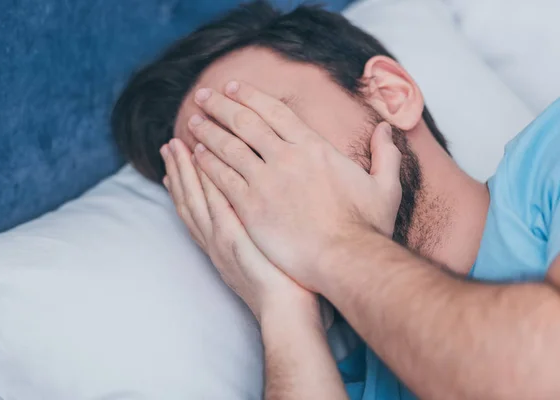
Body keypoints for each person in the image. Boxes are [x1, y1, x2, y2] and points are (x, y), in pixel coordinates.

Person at [112, 1, 560, 399]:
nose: (262, 194)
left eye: (270, 136)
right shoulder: (323, 378)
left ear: (389, 94)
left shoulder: (549, 154)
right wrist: (285, 313)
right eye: (225, 188)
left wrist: (336, 242)